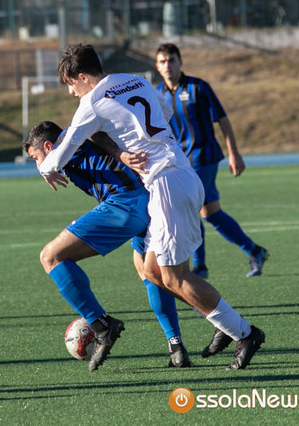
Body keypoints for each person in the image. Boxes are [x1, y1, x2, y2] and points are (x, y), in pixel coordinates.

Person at [39, 44, 265, 372]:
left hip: (167, 184)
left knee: (175, 277)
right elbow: (167, 112)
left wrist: (44, 168)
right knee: (153, 272)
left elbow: (60, 154)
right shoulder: (135, 80)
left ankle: (245, 333)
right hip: (177, 173)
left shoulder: (92, 102)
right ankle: (225, 324)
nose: (73, 93)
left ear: (83, 77)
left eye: (71, 85)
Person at [24, 121, 191, 371]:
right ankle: (177, 345)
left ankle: (101, 325)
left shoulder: (70, 139)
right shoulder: (68, 147)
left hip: (125, 204)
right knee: (151, 274)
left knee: (50, 256)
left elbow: (89, 131)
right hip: (146, 201)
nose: (38, 164)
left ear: (49, 146)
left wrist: (46, 167)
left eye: (36, 157)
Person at [155, 43, 268, 278]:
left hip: (203, 157)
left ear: (180, 61)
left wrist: (234, 153)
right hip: (179, 162)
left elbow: (222, 119)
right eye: (163, 61)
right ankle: (254, 250)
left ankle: (200, 266)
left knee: (191, 209)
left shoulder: (199, 87)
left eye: (172, 60)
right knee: (212, 213)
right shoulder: (158, 93)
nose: (168, 65)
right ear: (157, 66)